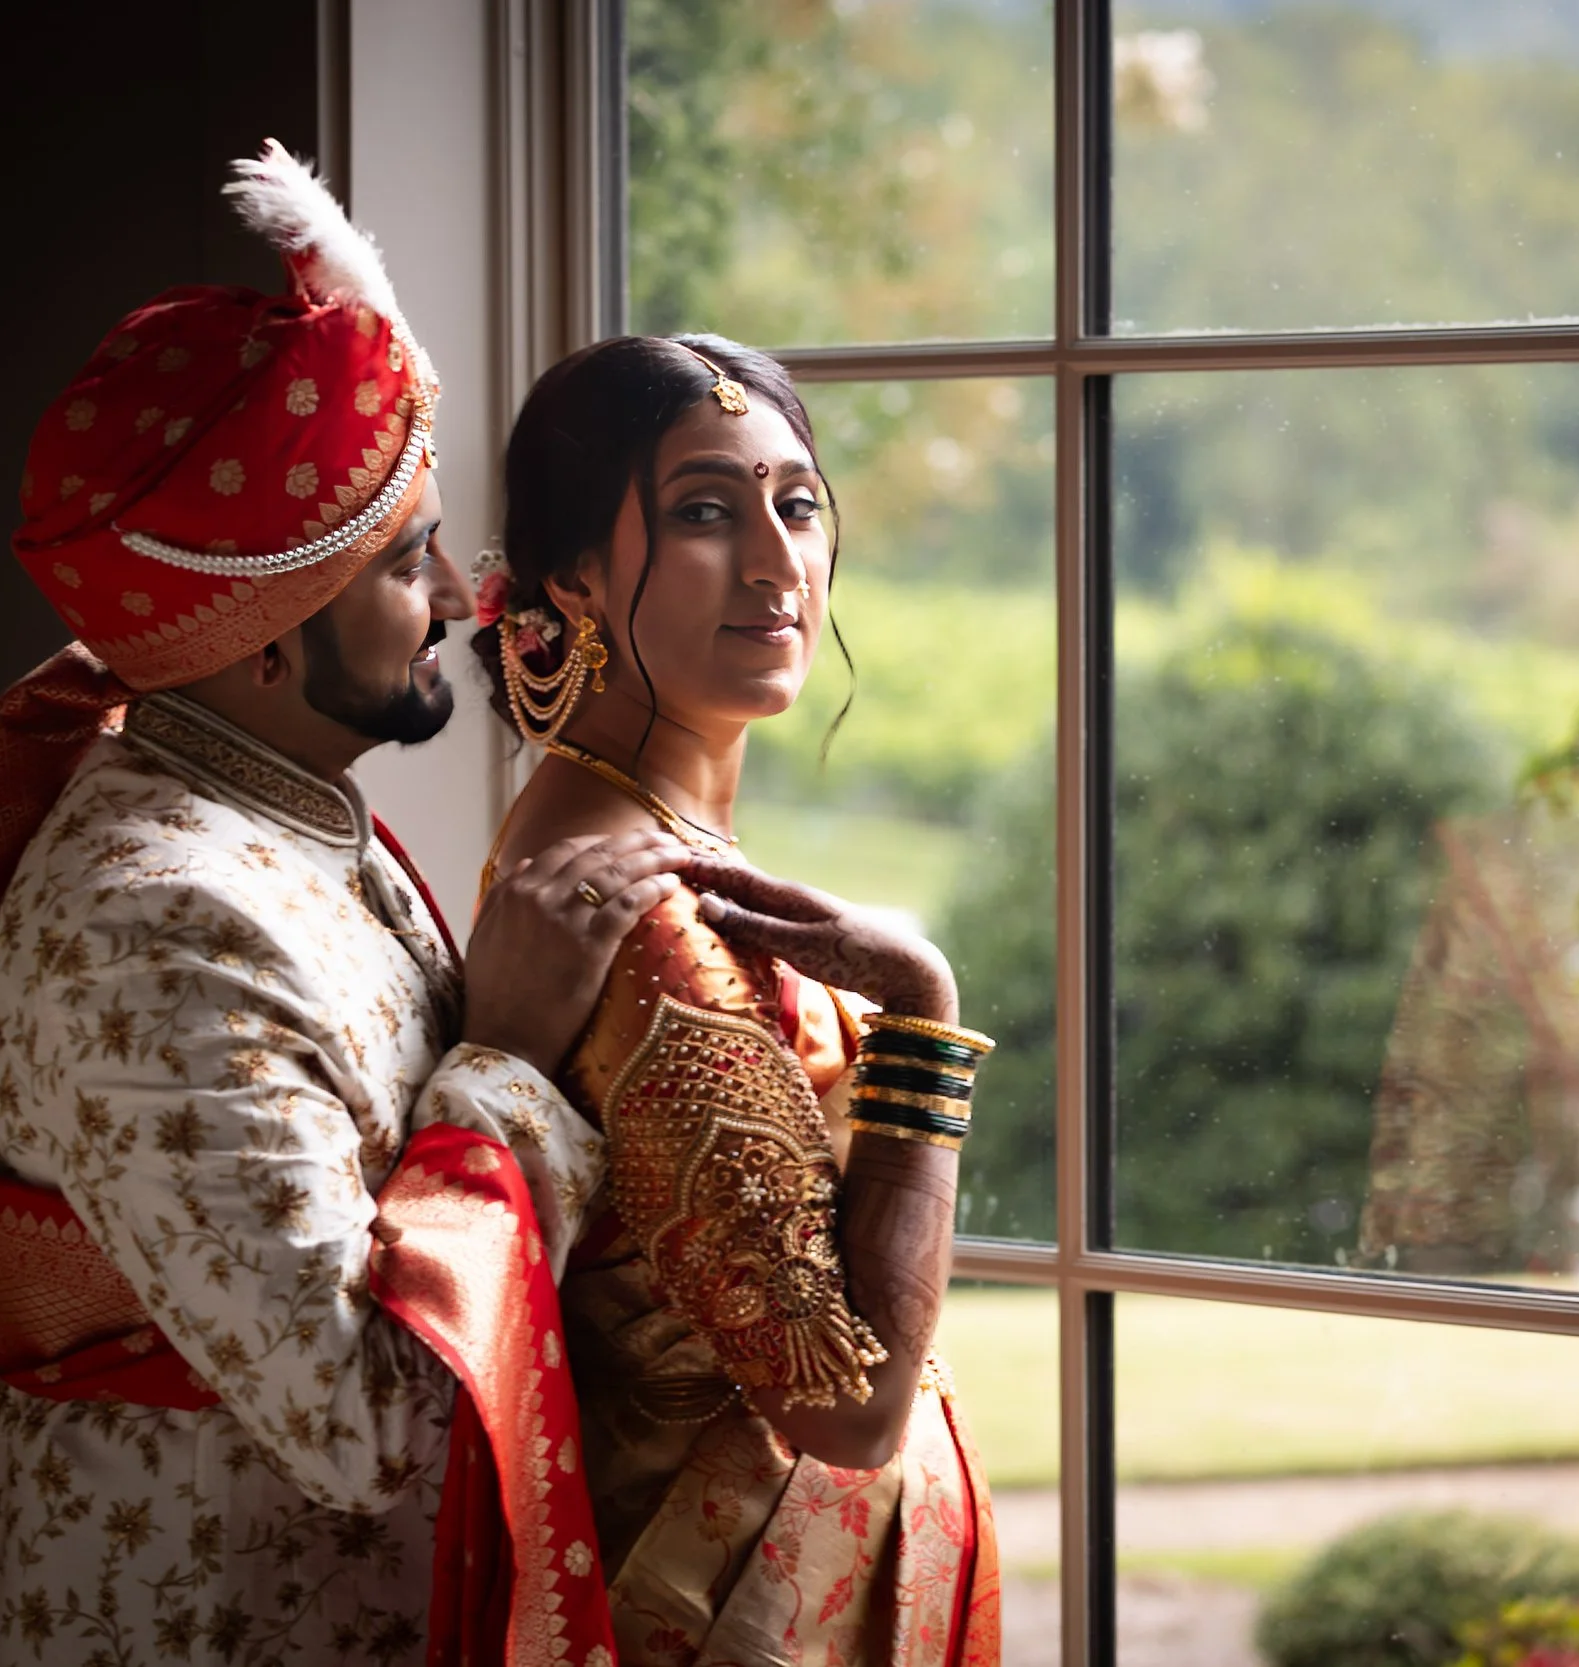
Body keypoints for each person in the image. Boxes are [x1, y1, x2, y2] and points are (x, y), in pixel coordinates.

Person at [0, 143, 665, 1667]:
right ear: (262, 643)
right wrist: (511, 1055)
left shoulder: (279, 802)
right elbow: (379, 1421)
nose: (463, 594)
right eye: (405, 564)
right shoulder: (163, 924)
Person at [467, 335, 1002, 1665]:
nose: (777, 563)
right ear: (571, 577)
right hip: (714, 1610)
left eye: (799, 502)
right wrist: (926, 1023)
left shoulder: (619, 833)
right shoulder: (647, 916)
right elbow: (850, 1408)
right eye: (706, 509)